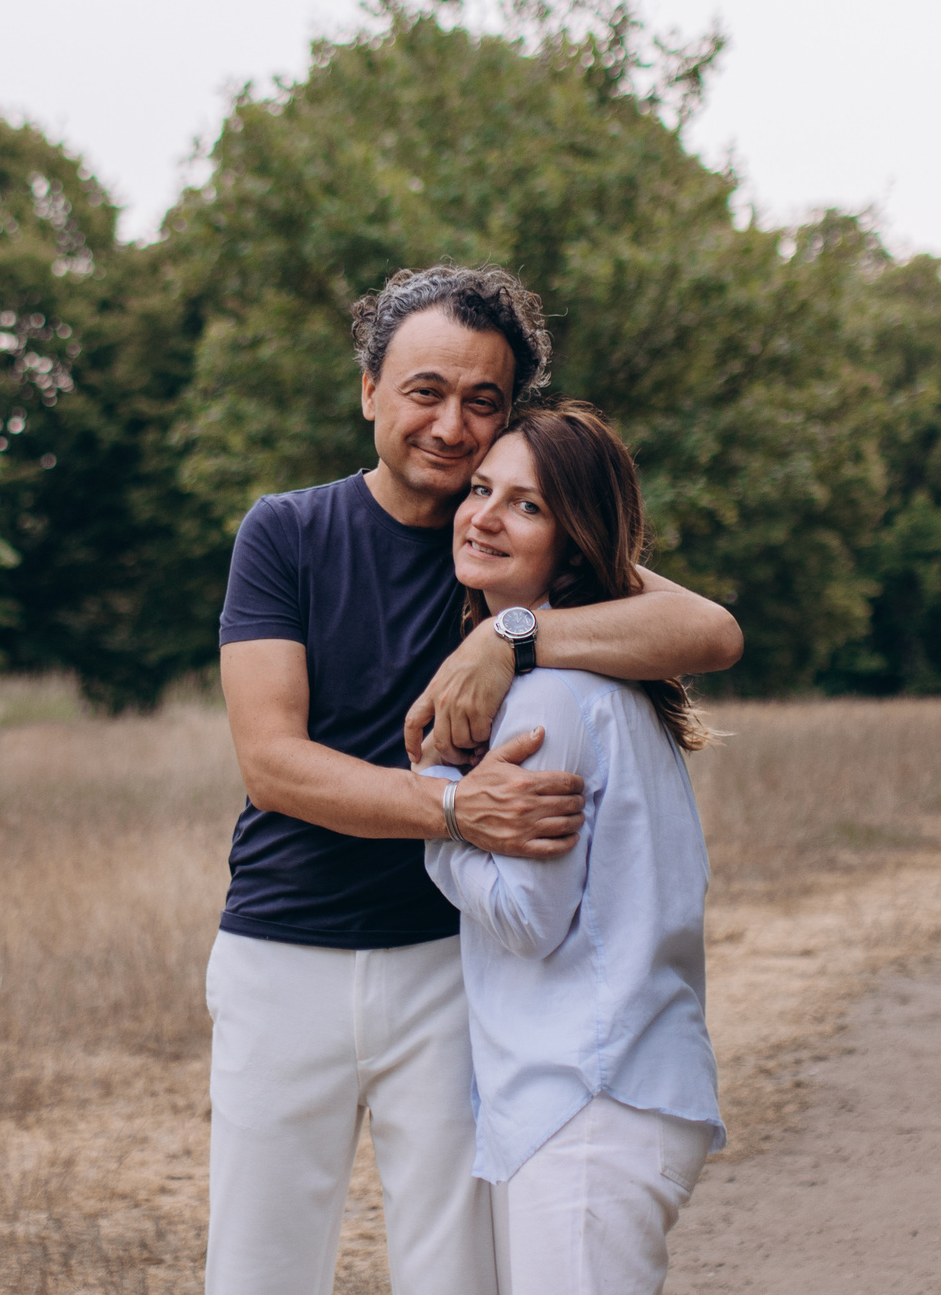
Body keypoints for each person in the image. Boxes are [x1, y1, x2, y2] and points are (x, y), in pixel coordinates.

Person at [212, 266, 740, 1295]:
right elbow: (271, 764)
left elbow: (708, 631)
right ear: (368, 389)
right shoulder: (286, 533)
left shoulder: (505, 543)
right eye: (423, 391)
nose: (451, 428)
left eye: (483, 401)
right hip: (281, 952)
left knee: (454, 1276)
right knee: (257, 1271)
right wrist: (455, 808)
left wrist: (514, 633)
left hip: (448, 973)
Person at [420, 401, 724, 1295]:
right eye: (481, 490)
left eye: (526, 505)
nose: (482, 515)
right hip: (600, 1095)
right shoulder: (598, 682)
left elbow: (528, 918)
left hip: (590, 1100)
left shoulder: (550, 696)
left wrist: (443, 809)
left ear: (575, 542)